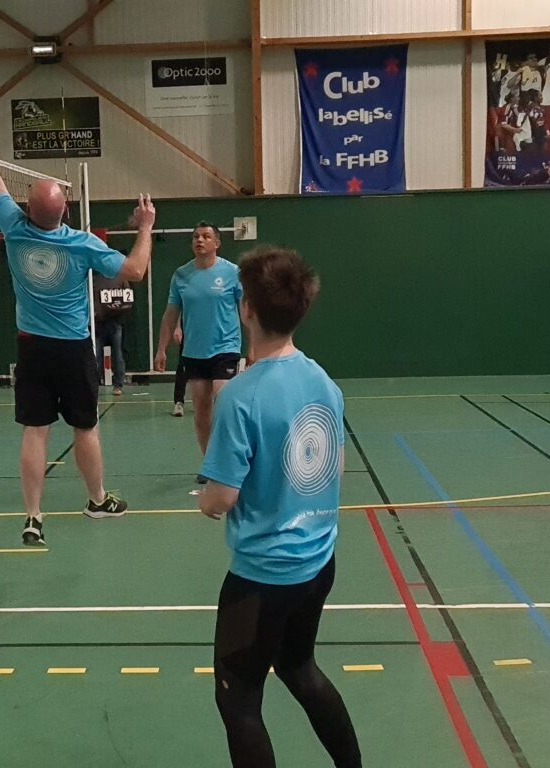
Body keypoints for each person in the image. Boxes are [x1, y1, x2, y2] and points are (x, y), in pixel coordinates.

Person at [0, 99, 156, 547]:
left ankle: (33, 517)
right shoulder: (81, 244)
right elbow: (136, 271)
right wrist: (145, 227)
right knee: (86, 427)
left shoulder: (13, 227)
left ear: (27, 207)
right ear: (64, 212)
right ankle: (97, 500)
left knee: (35, 430)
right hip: (74, 349)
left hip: (31, 346)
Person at [198, 247, 361, 768]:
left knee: (239, 699)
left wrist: (206, 499)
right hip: (318, 565)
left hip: (262, 580)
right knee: (299, 667)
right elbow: (333, 469)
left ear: (246, 309)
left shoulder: (240, 396)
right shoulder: (323, 381)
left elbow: (221, 498)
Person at [154, 222, 242, 481]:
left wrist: (257, 346)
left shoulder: (232, 273)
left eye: (205, 236)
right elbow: (171, 314)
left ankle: (231, 459)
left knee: (223, 401)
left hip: (226, 347)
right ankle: (209, 464)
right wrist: (161, 349)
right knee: (202, 408)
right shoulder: (181, 275)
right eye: (195, 237)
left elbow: (246, 310)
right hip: (194, 351)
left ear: (217, 243)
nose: (199, 240)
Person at [93, 272, 134, 396]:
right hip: (98, 324)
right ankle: (94, 385)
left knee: (118, 355)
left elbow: (128, 299)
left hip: (115, 322)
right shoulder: (93, 278)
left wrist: (118, 309)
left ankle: (118, 385)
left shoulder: (121, 277)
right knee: (95, 356)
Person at [171, 318, 186, 417]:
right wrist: (178, 327)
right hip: (189, 329)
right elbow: (181, 309)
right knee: (183, 364)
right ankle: (179, 402)